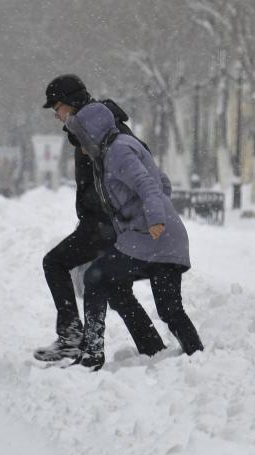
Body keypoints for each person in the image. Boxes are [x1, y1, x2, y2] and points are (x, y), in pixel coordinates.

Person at [33, 75, 166, 362]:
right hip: (104, 222)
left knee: (55, 263)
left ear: (72, 103)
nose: (56, 116)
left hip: (106, 224)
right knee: (115, 289)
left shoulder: (104, 131)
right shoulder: (91, 129)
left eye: (57, 108)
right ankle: (152, 349)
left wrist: (134, 214)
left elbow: (143, 170)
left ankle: (75, 338)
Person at [64, 102, 204, 370]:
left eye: (81, 139)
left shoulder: (118, 152)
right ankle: (188, 355)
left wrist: (155, 218)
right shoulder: (117, 149)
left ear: (92, 134)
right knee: (166, 308)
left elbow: (147, 184)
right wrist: (153, 217)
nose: (80, 147)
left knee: (95, 277)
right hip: (164, 239)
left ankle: (92, 353)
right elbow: (163, 181)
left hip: (153, 237)